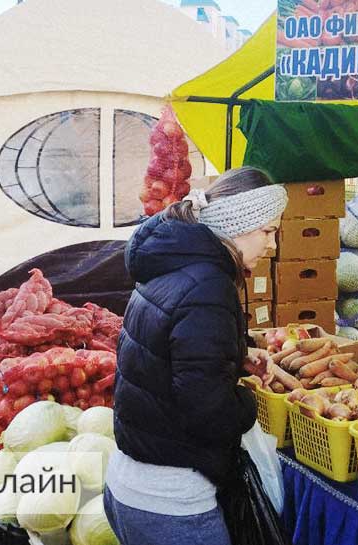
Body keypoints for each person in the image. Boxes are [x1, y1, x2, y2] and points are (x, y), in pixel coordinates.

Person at [106, 167, 287, 545]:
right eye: (268, 232)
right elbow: (207, 409)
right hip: (171, 502)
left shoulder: (175, 266)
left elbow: (167, 355)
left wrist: (233, 356)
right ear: (239, 225)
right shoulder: (209, 287)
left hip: (130, 483)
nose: (272, 246)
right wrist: (248, 401)